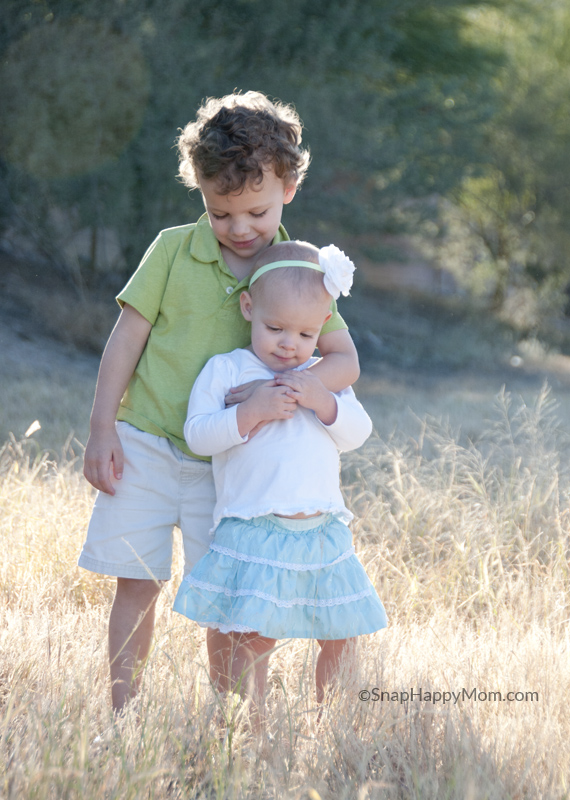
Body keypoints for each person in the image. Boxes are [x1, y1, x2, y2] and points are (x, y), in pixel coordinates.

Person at [78, 91, 360, 712]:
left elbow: (343, 361)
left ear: (288, 186)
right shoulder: (173, 249)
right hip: (147, 442)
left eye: (255, 211)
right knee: (137, 582)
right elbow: (125, 340)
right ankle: (122, 712)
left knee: (231, 601)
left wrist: (284, 390)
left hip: (232, 463)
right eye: (220, 211)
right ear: (201, 193)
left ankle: (230, 723)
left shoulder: (299, 270)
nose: (238, 229)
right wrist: (102, 430)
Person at [173, 240, 387, 729]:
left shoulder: (323, 376)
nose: (290, 344)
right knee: (253, 633)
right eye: (275, 328)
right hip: (254, 527)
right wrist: (249, 412)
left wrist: (322, 400)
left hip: (321, 530)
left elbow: (357, 432)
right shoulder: (227, 370)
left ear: (324, 327)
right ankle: (250, 725)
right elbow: (199, 434)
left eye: (307, 333)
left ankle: (333, 721)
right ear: (249, 308)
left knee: (341, 631)